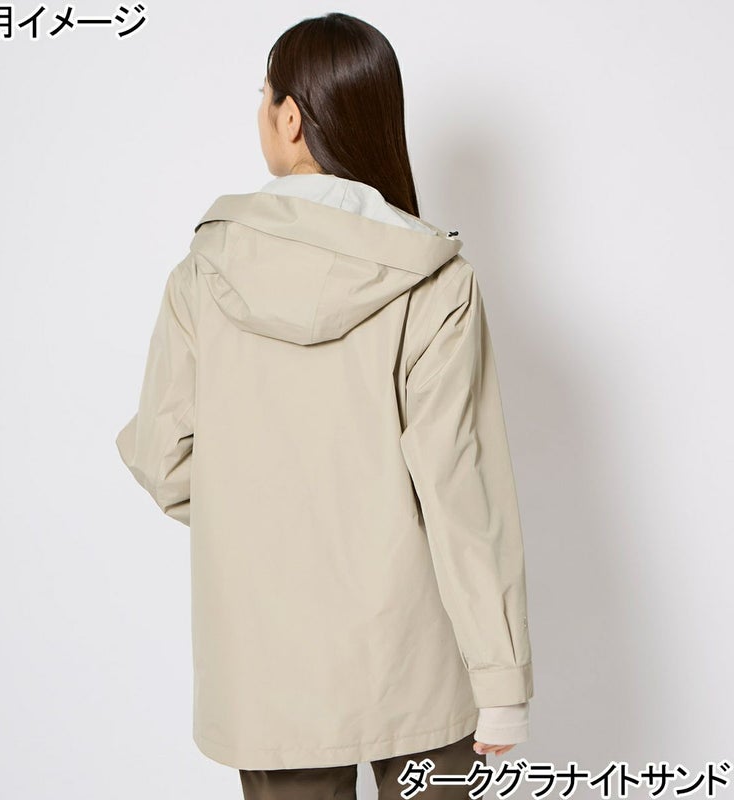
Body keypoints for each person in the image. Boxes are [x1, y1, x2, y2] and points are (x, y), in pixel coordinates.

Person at [115, 11, 534, 799]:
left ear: (290, 118)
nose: (261, 112)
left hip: (271, 669)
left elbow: (162, 458)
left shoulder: (203, 272)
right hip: (421, 659)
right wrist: (502, 679)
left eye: (263, 95)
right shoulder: (434, 278)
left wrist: (259, 510)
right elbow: (463, 493)